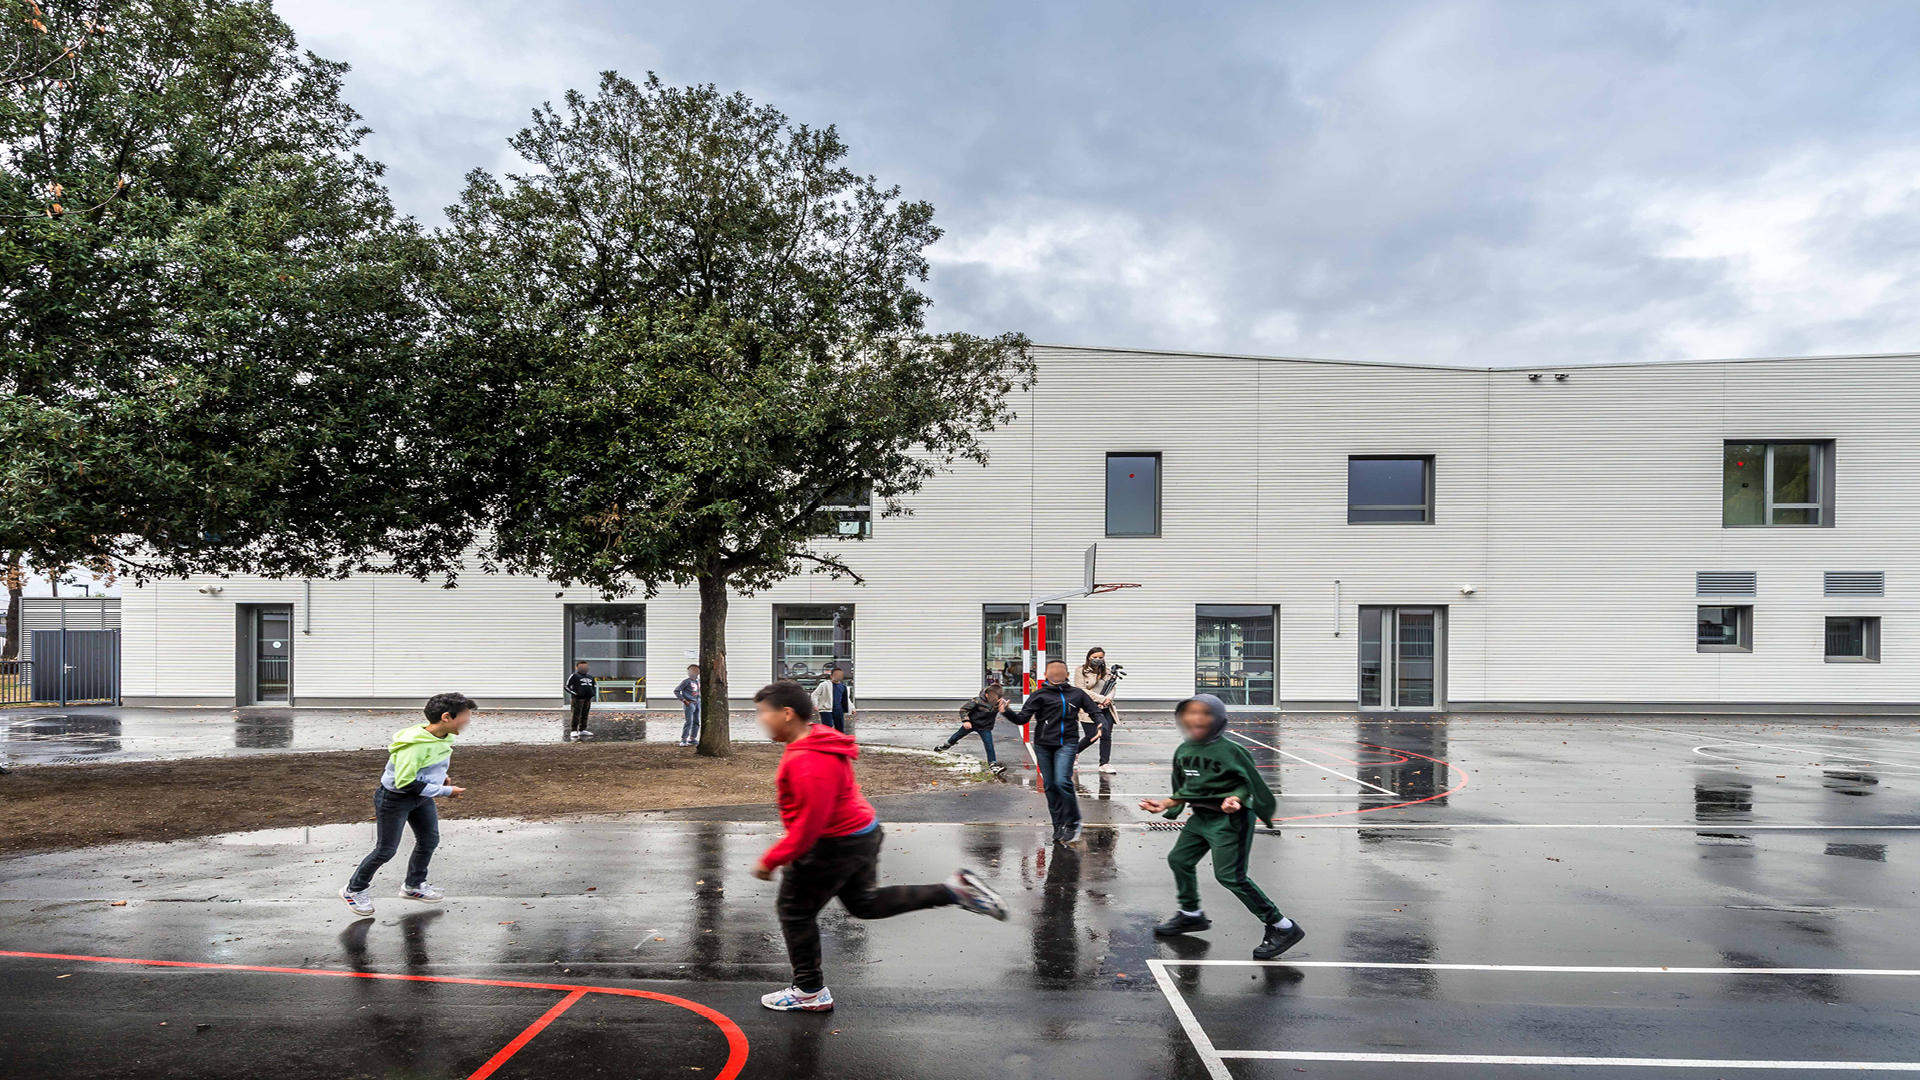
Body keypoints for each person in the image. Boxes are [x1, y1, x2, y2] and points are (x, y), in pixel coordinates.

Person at [750, 680, 1007, 1012]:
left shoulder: (807, 760)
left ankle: (809, 991)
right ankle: (956, 891)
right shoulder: (816, 741)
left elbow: (811, 824)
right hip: (859, 833)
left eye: (762, 713)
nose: (759, 720)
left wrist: (772, 860)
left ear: (786, 714)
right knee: (864, 904)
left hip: (833, 843)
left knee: (795, 912)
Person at [1137, 693, 1304, 960]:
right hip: (1200, 819)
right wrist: (1165, 804)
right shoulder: (1185, 750)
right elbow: (1188, 788)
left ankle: (1282, 926)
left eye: (1204, 713)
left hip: (1230, 821)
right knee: (1179, 859)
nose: (1196, 718)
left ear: (1218, 720)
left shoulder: (1232, 751)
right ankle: (1191, 915)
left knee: (1230, 877)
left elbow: (1247, 783)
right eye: (1190, 713)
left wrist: (1236, 799)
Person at [339, 692, 474, 916]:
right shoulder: (415, 746)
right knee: (386, 850)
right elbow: (405, 782)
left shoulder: (441, 735)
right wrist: (445, 791)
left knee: (429, 839)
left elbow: (431, 761)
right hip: (395, 799)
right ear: (446, 717)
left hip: (420, 796)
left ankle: (414, 885)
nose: (468, 719)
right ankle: (354, 889)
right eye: (465, 715)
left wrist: (442, 775)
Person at [1010, 659, 1103, 846]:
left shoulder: (1077, 694)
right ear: (1045, 675)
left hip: (1067, 743)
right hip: (1043, 745)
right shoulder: (1039, 695)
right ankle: (1058, 825)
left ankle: (1073, 822)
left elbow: (1094, 711)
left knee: (1062, 781)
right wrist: (1005, 710)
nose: (1056, 674)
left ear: (1067, 675)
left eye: (1060, 671)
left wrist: (1100, 723)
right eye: (1052, 671)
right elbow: (1021, 719)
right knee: (1051, 786)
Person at [935, 681, 1008, 773]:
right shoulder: (976, 700)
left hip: (985, 727)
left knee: (989, 744)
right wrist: (966, 721)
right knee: (957, 736)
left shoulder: (999, 702)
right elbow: (963, 710)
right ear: (986, 695)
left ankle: (993, 764)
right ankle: (946, 745)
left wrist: (1005, 708)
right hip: (971, 724)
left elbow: (1004, 710)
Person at [1074, 646, 1121, 774]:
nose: (1098, 660)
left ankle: (1104, 763)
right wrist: (1100, 698)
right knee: (1092, 735)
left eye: (1100, 657)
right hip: (1088, 707)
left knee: (1106, 735)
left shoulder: (1107, 672)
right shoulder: (1081, 671)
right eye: (1095, 657)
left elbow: (1112, 688)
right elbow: (1081, 690)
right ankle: (1074, 752)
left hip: (1106, 707)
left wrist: (1107, 700)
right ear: (1089, 657)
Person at [811, 664, 855, 732]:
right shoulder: (824, 685)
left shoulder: (844, 687)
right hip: (826, 709)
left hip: (839, 709)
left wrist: (852, 708)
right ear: (831, 676)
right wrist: (816, 705)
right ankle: (827, 741)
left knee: (840, 727)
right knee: (828, 726)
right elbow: (815, 694)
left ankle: (839, 741)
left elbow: (846, 699)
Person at [563, 660, 596, 740]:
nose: (584, 668)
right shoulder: (574, 676)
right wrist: (575, 693)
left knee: (585, 714)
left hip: (587, 699)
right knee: (576, 714)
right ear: (577, 667)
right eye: (582, 667)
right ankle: (574, 730)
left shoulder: (590, 677)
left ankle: (582, 729)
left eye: (585, 667)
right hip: (577, 699)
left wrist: (593, 693)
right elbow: (566, 686)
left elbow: (594, 686)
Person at [674, 663, 702, 746]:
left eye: (696, 671)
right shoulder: (686, 681)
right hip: (689, 704)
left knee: (696, 721)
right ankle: (684, 740)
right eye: (692, 671)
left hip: (697, 703)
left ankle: (692, 738)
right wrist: (684, 700)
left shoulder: (698, 681)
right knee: (689, 721)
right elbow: (676, 691)